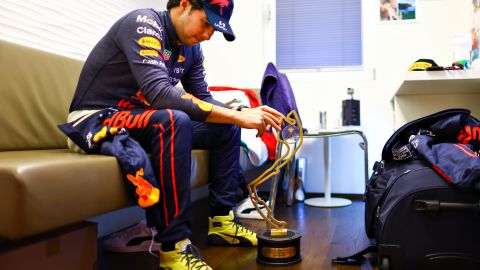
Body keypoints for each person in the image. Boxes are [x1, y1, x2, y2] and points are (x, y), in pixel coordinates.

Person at [62, 0, 283, 269]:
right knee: (174, 119)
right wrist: (239, 115)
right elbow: (161, 95)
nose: (207, 35)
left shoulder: (192, 49)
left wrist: (246, 114)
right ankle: (173, 247)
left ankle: (222, 221)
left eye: (214, 30)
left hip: (140, 120)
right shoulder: (144, 23)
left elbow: (203, 99)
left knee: (226, 125)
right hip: (96, 119)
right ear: (185, 5)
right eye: (206, 24)